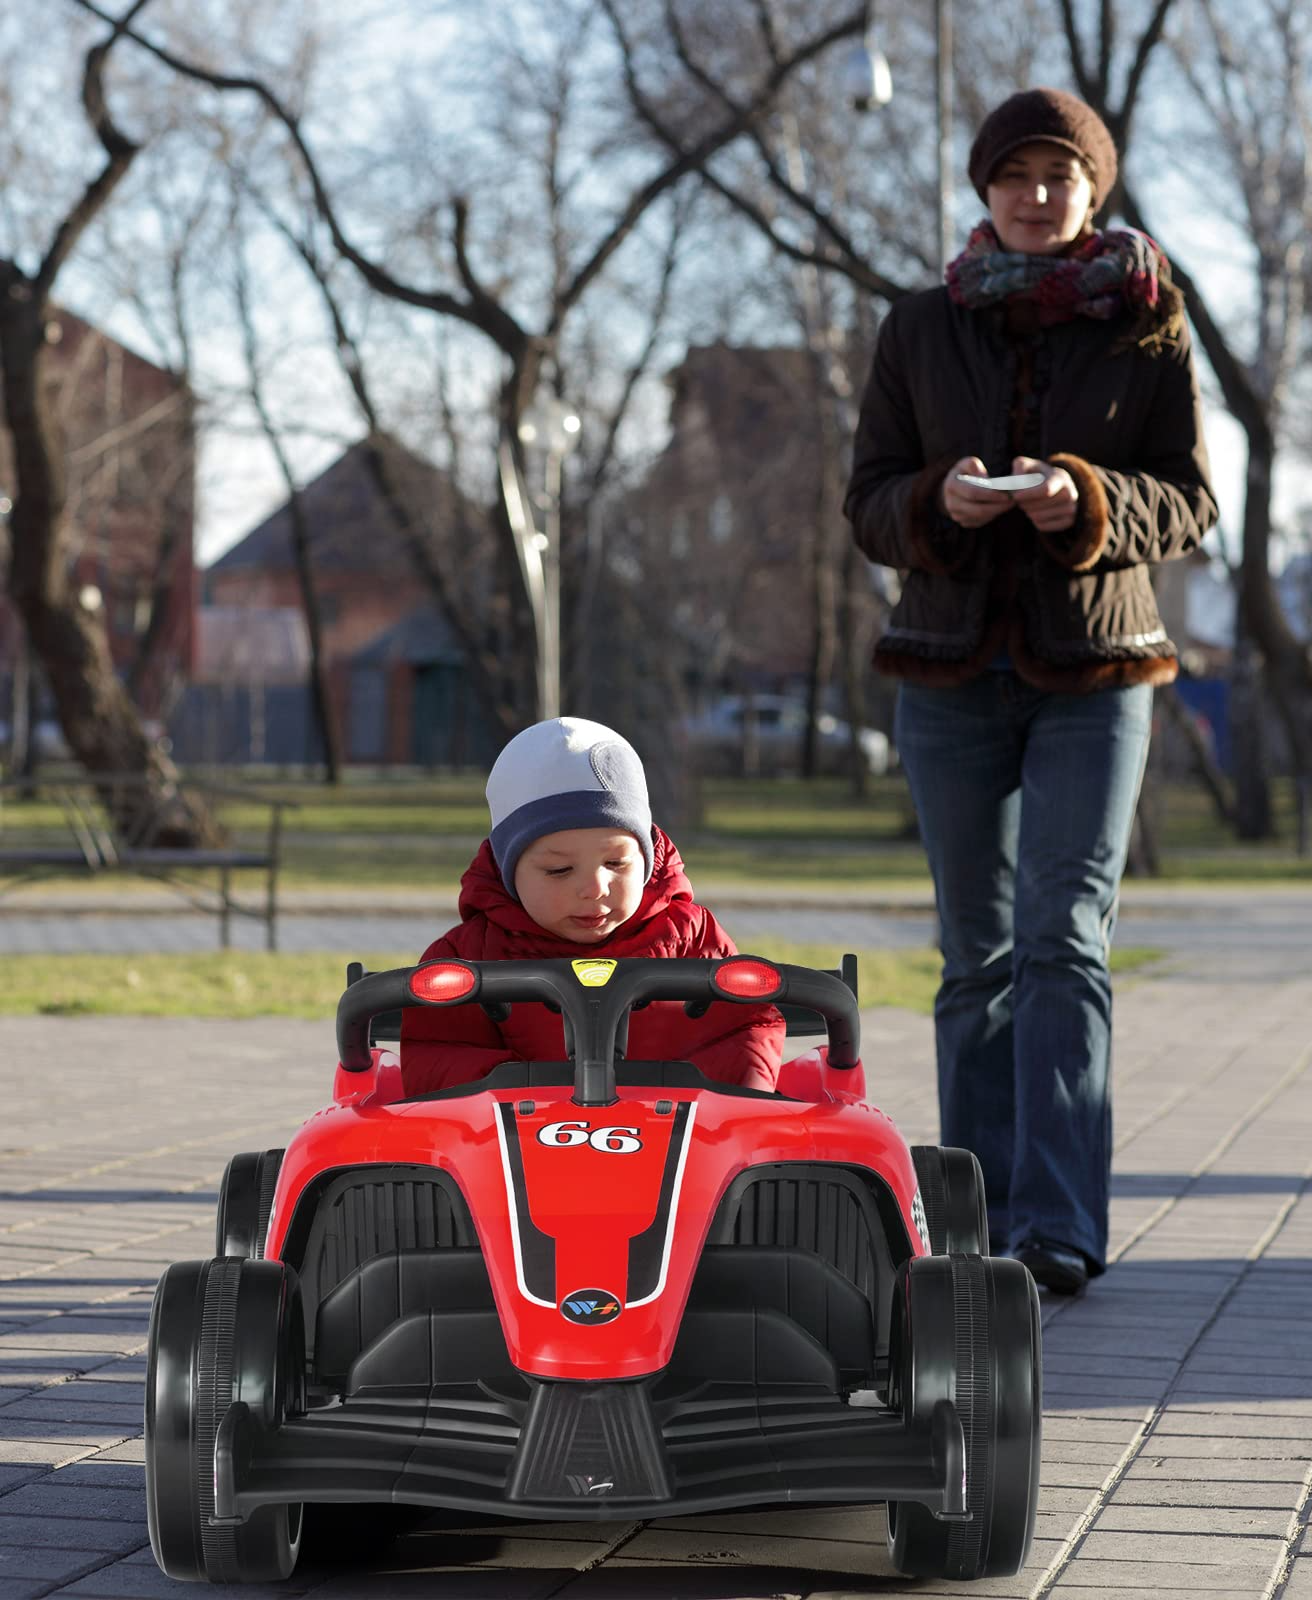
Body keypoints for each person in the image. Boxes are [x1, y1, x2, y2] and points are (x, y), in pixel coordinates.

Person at [844, 88, 1218, 1296]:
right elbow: (866, 501)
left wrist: (1088, 500)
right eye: (1014, 174)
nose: (1035, 194)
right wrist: (930, 506)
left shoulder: (1149, 323)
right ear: (983, 189)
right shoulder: (917, 327)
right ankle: (975, 1224)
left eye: (1059, 175)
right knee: (974, 958)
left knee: (1066, 942)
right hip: (948, 675)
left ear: (1092, 188)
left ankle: (1056, 1227)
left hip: (1096, 672)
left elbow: (1192, 500)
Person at [400, 716, 784, 1097]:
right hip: (514, 1144)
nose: (595, 888)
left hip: (678, 1142)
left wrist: (736, 1103)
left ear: (647, 859)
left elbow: (742, 1032)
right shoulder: (469, 956)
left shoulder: (690, 938)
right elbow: (440, 1056)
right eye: (560, 870)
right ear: (508, 871)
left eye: (616, 864)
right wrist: (518, 1093)